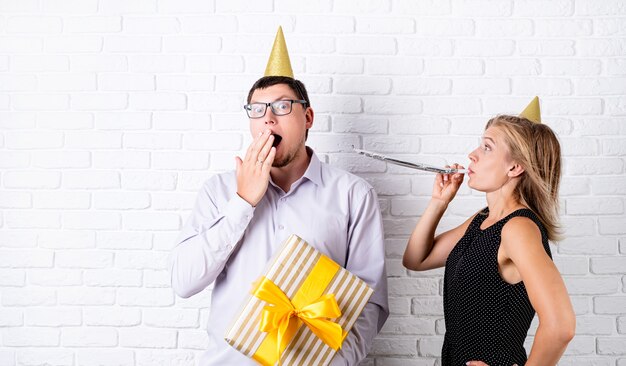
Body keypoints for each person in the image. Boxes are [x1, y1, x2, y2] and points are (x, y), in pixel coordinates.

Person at [169, 27, 389, 365]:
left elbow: (369, 303)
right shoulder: (219, 192)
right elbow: (184, 281)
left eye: (282, 107)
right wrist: (242, 202)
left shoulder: (352, 195)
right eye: (257, 110)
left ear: (308, 117)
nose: (268, 118)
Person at [403, 98, 575, 366]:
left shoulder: (518, 228)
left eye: (487, 147)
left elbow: (561, 326)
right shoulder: (484, 220)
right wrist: (439, 203)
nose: (473, 154)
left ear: (515, 167)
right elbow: (416, 259)